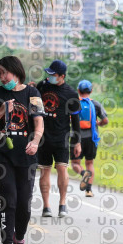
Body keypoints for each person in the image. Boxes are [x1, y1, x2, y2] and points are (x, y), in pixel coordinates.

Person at [0, 55, 44, 244]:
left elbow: (39, 124)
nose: (1, 77)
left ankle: (20, 239)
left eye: (3, 73)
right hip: (2, 155)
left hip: (27, 156)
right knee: (8, 200)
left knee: (24, 205)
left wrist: (35, 141)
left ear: (15, 71)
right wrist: (0, 111)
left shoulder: (33, 93)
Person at [36, 60, 82, 217]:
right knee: (45, 171)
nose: (49, 77)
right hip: (43, 137)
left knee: (62, 169)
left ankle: (62, 204)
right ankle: (46, 206)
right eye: (48, 74)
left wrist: (77, 141)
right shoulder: (42, 87)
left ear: (62, 76)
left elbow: (75, 120)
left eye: (53, 75)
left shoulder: (71, 94)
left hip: (61, 137)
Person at [70, 80, 108, 197]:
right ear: (91, 91)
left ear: (78, 91)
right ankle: (89, 191)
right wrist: (98, 124)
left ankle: (83, 173)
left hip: (77, 138)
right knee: (89, 163)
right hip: (92, 137)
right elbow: (105, 120)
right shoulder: (95, 104)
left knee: (75, 163)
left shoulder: (73, 103)